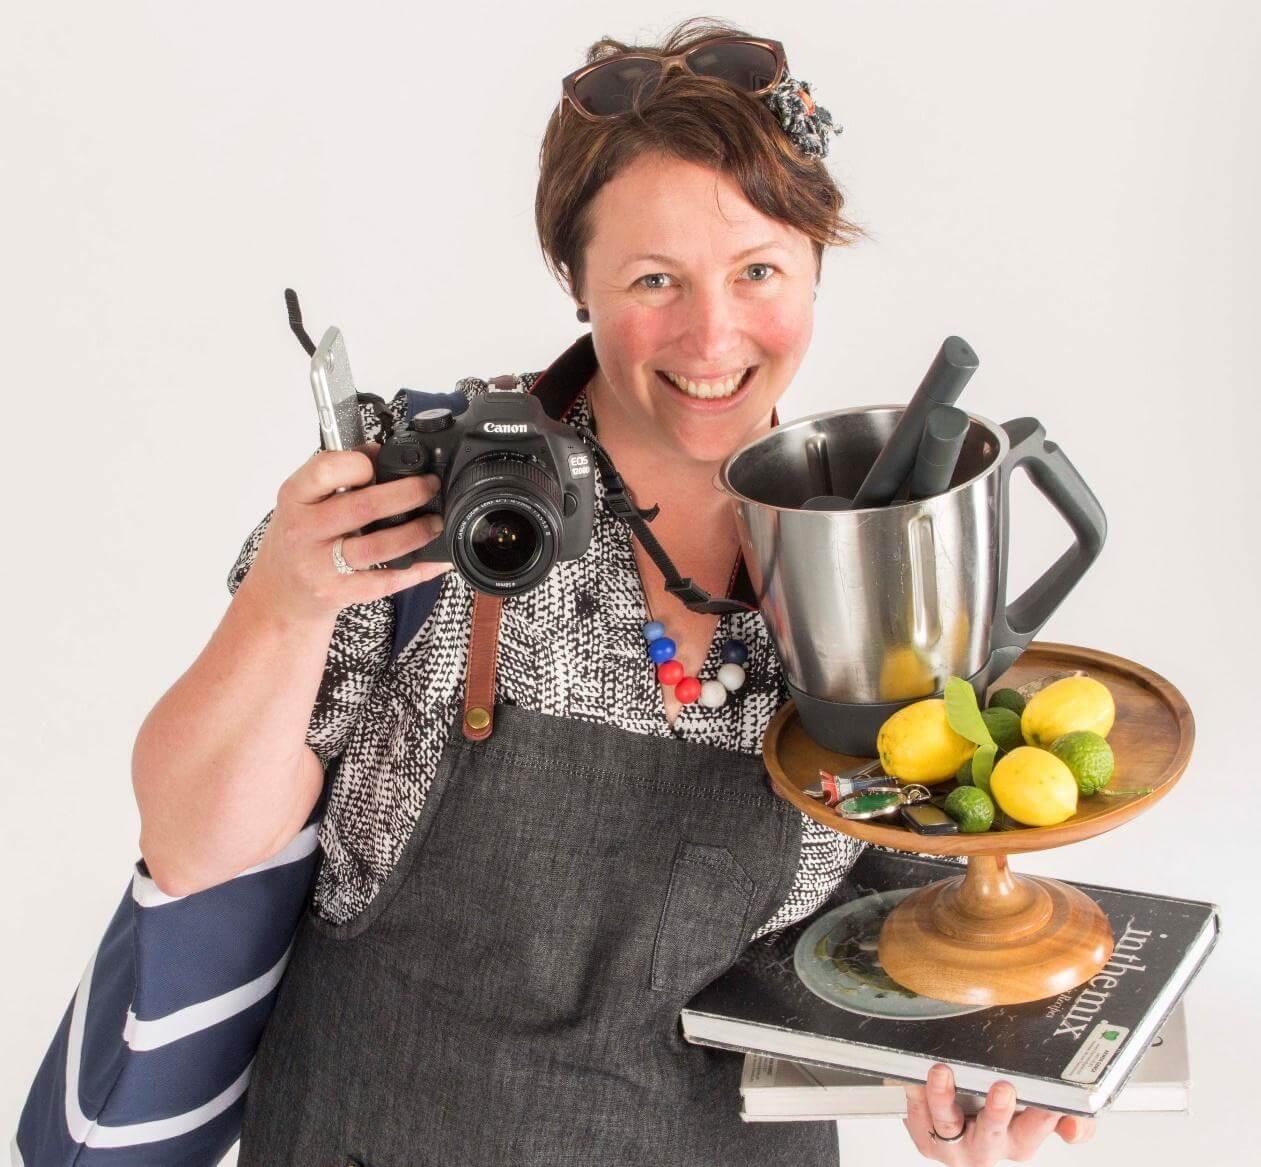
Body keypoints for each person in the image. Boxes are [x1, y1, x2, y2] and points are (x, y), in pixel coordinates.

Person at [130, 16, 1097, 1166]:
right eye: (654, 279)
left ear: (814, 269)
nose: (711, 335)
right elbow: (192, 851)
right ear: (575, 279)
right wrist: (284, 604)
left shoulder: (873, 538)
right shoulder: (437, 490)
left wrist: (961, 1081)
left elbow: (899, 918)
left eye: (757, 271)